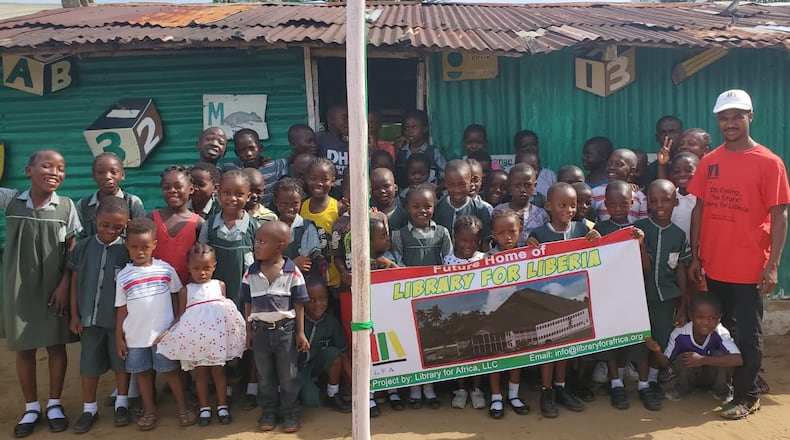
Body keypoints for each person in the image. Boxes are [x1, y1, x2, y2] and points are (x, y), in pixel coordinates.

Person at [688, 89, 789, 419]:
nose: (730, 123)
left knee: (748, 333)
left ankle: (748, 395)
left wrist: (772, 265)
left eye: (736, 116)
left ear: (750, 117)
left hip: (748, 268)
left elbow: (779, 215)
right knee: (723, 330)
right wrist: (696, 255)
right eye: (723, 117)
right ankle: (733, 385)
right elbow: (700, 209)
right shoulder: (709, 161)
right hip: (714, 265)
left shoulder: (769, 162)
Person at [1, 150, 81, 438]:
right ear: (28, 171)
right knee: (24, 347)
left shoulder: (67, 206)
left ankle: (55, 404)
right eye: (46, 165)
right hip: (18, 287)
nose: (54, 172)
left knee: (55, 345)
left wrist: (64, 284)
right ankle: (32, 406)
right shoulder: (11, 200)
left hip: (53, 288)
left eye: (61, 168)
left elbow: (72, 249)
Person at [527, 183, 601, 418]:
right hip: (546, 302)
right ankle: (547, 390)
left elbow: (600, 254)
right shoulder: (539, 234)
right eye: (562, 205)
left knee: (566, 346)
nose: (569, 209)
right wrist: (530, 250)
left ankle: (561, 387)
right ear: (548, 206)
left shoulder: (583, 228)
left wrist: (597, 240)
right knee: (550, 347)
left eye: (573, 205)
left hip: (573, 300)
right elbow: (529, 266)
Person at [115, 217, 196, 431]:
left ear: (154, 246)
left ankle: (183, 407)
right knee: (142, 374)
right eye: (134, 247)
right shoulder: (123, 276)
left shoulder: (165, 270)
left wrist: (178, 321)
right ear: (127, 246)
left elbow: (178, 294)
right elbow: (121, 309)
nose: (140, 252)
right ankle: (149, 410)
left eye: (145, 247)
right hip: (134, 337)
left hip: (163, 334)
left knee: (171, 372)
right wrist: (119, 337)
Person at [156, 243, 246, 427]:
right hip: (197, 343)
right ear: (189, 268)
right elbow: (181, 316)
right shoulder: (185, 290)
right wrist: (168, 332)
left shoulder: (219, 285)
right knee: (201, 375)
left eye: (206, 268)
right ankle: (204, 407)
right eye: (196, 268)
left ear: (214, 266)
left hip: (217, 341)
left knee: (219, 372)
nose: (202, 273)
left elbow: (225, 311)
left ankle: (222, 406)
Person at [68, 196, 132, 433]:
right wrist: (75, 315)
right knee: (89, 365)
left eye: (117, 227)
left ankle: (122, 403)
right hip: (89, 319)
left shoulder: (127, 249)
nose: (110, 231)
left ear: (126, 224)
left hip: (118, 321)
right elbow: (75, 281)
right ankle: (89, 409)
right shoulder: (83, 247)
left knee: (120, 362)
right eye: (104, 225)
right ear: (95, 219)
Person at [240, 221, 310, 433]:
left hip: (286, 332)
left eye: (262, 242)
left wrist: (300, 332)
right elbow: (248, 303)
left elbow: (298, 305)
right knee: (265, 374)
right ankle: (269, 410)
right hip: (260, 331)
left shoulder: (292, 272)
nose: (256, 246)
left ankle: (290, 412)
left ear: (280, 246)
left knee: (288, 374)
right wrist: (248, 331)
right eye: (256, 241)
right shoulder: (250, 273)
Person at [391, 183, 452, 409]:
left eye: (427, 206)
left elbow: (449, 263)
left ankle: (430, 388)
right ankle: (416, 391)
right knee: (411, 343)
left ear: (435, 206)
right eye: (416, 206)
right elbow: (397, 264)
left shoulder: (442, 233)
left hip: (434, 299)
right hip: (409, 299)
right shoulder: (399, 235)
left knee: (431, 343)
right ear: (407, 207)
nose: (422, 211)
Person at [593, 181, 652, 411]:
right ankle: (616, 383)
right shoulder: (599, 229)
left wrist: (640, 244)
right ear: (605, 204)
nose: (618, 208)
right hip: (608, 296)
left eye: (624, 204)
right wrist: (593, 241)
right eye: (613, 204)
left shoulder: (637, 230)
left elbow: (645, 269)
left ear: (632, 203)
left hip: (632, 295)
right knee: (610, 341)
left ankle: (644, 385)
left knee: (638, 339)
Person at [634, 179, 691, 411]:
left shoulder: (678, 235)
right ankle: (642, 384)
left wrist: (684, 305)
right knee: (640, 342)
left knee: (661, 339)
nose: (659, 205)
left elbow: (681, 270)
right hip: (639, 297)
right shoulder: (638, 229)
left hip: (666, 299)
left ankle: (654, 379)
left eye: (665, 200)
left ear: (675, 202)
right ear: (647, 202)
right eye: (654, 200)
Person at [647, 291, 743, 402]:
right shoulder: (680, 333)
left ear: (719, 318)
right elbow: (666, 363)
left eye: (712, 318)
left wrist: (702, 360)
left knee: (721, 355)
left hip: (712, 376)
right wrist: (657, 351)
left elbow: (738, 359)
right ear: (690, 315)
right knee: (684, 357)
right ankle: (683, 389)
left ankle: (721, 391)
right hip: (691, 376)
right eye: (700, 317)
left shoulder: (720, 332)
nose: (705, 322)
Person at [486, 208, 529, 419]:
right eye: (501, 233)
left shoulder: (527, 255)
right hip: (495, 314)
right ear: (494, 235)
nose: (508, 237)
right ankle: (495, 397)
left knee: (516, 354)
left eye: (512, 231)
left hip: (519, 314)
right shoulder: (485, 259)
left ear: (520, 230)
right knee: (495, 354)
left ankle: (514, 395)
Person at [444, 216, 486, 411]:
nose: (468, 245)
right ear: (455, 238)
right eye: (463, 240)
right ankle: (460, 389)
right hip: (457, 315)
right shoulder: (448, 260)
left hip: (478, 314)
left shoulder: (484, 259)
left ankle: (476, 388)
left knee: (477, 351)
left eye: (473, 241)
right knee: (460, 352)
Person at [299, 276, 351, 413]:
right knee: (311, 401)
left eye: (323, 299)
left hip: (317, 363)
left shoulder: (331, 322)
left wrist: (355, 384)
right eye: (311, 300)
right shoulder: (297, 320)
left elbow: (343, 353)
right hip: (297, 367)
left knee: (334, 354)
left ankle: (332, 394)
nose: (318, 304)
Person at [151, 165, 204, 285]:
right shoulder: (151, 219)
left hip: (187, 290)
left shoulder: (198, 224)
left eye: (178, 186)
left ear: (191, 189)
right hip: (155, 289)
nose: (172, 190)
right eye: (166, 187)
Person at [76, 152, 145, 239]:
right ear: (94, 175)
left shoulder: (132, 203)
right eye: (101, 172)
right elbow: (82, 237)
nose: (107, 177)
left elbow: (141, 236)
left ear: (122, 175)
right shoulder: (84, 205)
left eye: (113, 172)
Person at [301, 158, 342, 287]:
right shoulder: (301, 207)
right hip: (310, 280)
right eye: (313, 178)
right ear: (306, 179)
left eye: (324, 180)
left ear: (333, 182)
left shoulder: (338, 207)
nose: (318, 183)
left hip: (336, 279)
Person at [227, 129, 289, 208]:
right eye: (242, 150)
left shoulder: (275, 166)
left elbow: (294, 159)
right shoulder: (231, 169)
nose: (248, 154)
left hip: (267, 216)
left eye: (252, 148)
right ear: (236, 153)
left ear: (260, 147)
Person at [433, 159, 491, 241]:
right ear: (445, 183)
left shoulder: (480, 209)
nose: (457, 190)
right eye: (452, 185)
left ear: (470, 182)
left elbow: (486, 240)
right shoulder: (439, 207)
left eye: (462, 184)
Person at [273, 177, 321, 275]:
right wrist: (292, 264)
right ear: (276, 203)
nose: (290, 209)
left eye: (294, 204)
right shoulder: (271, 229)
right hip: (277, 279)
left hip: (303, 279)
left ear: (301, 202)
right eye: (284, 204)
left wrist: (283, 266)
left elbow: (304, 262)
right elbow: (269, 260)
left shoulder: (307, 227)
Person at [493, 163, 549, 247]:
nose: (522, 189)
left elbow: (546, 241)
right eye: (517, 185)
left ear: (535, 186)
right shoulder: (499, 211)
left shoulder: (541, 214)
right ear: (509, 186)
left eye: (527, 185)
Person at [591, 148, 648, 223]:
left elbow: (643, 224)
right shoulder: (595, 193)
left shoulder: (640, 197)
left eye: (618, 164)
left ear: (632, 171)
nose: (611, 167)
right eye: (609, 164)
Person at [394, 109, 447, 189]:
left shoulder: (433, 152)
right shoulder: (401, 153)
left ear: (425, 129)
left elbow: (445, 174)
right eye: (407, 128)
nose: (410, 131)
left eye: (414, 127)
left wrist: (436, 189)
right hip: (404, 197)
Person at [316, 104, 349, 194]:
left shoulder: (352, 143)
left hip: (346, 194)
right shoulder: (321, 138)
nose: (348, 121)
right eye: (344, 118)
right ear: (331, 120)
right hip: (325, 193)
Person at [668, 152, 699, 244]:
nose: (682, 174)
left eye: (688, 170)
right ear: (671, 174)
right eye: (677, 171)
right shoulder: (670, 198)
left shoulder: (702, 201)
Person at [370, 167, 408, 232]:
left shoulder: (403, 208)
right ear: (371, 191)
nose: (382, 191)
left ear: (395, 187)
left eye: (386, 186)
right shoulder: (368, 209)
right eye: (376, 188)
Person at [647, 116, 683, 183]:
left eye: (672, 132)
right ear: (657, 138)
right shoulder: (651, 169)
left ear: (682, 135)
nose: (668, 136)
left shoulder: (692, 163)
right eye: (663, 133)